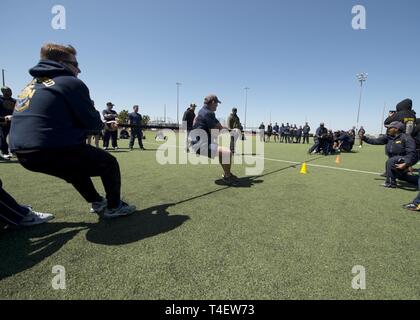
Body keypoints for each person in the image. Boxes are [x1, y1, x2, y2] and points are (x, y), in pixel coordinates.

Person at [10, 43, 136, 218]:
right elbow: (91, 123)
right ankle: (114, 207)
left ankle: (97, 202)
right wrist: (105, 125)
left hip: (24, 154)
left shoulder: (32, 85)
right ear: (62, 63)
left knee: (74, 170)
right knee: (109, 163)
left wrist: (101, 125)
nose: (79, 70)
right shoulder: (69, 82)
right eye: (75, 64)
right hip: (52, 148)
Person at [190, 94, 238, 184]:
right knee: (226, 152)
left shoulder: (203, 111)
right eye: (216, 103)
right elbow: (216, 130)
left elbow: (219, 126)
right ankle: (228, 176)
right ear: (212, 102)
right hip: (201, 145)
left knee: (223, 153)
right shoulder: (208, 113)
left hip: (200, 143)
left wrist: (230, 130)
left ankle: (227, 174)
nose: (217, 106)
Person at [362, 122, 418, 188]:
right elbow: (375, 141)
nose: (388, 129)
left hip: (406, 159)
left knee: (391, 161)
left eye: (390, 127)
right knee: (402, 177)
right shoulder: (388, 138)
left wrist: (406, 163)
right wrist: (364, 138)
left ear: (396, 129)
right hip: (396, 160)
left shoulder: (406, 138)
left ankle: (390, 183)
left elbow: (412, 153)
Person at [0, 87, 16, 160]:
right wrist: (3, 119)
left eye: (10, 90)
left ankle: (15, 151)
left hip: (13, 121)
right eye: (8, 91)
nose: (10, 92)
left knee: (14, 137)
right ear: (4, 92)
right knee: (2, 137)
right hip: (3, 121)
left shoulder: (14, 101)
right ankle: (5, 152)